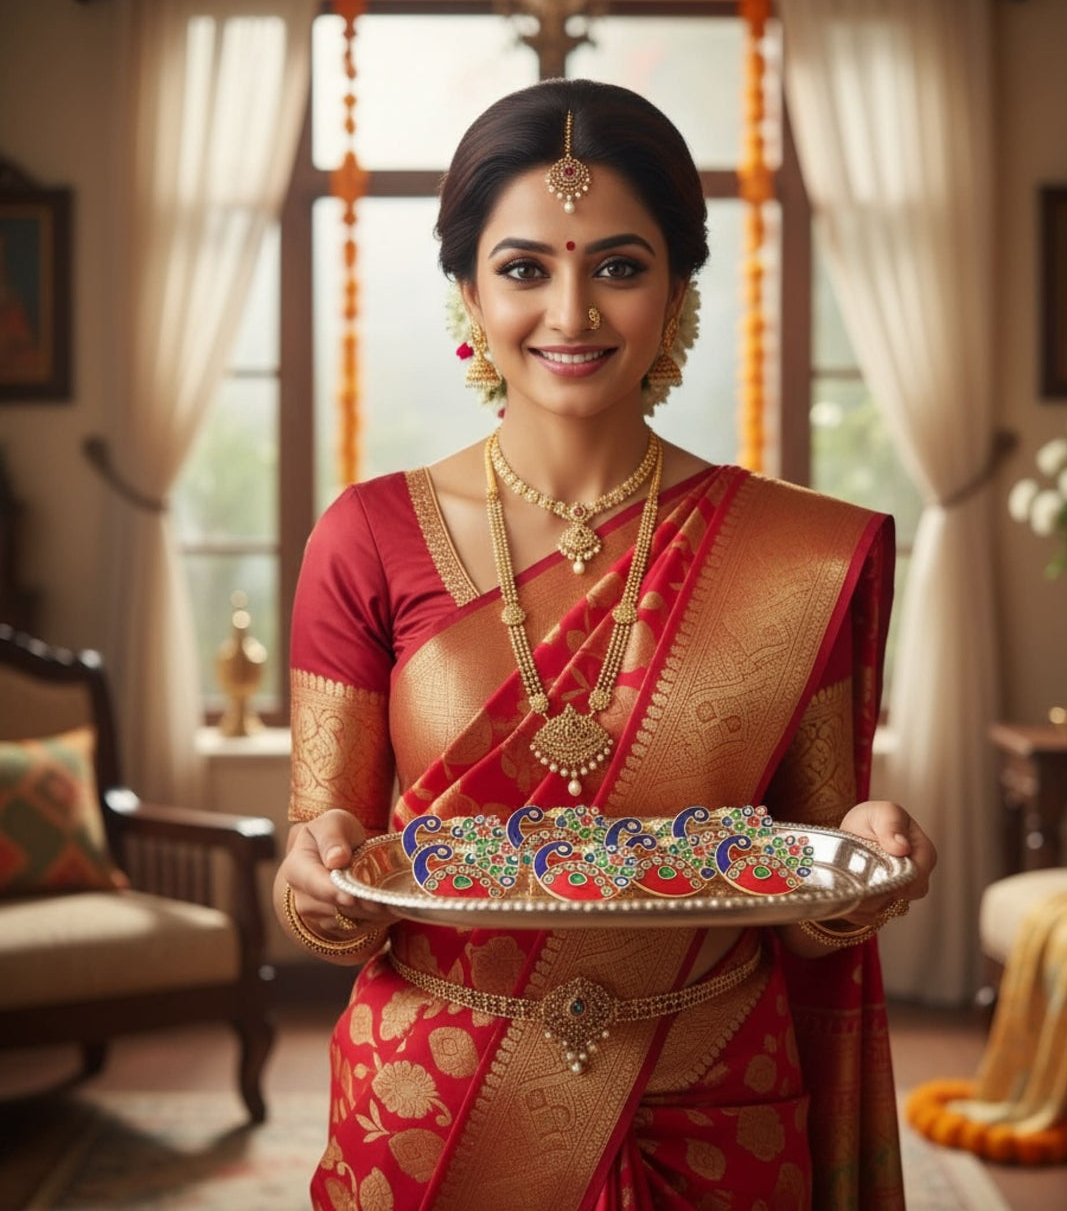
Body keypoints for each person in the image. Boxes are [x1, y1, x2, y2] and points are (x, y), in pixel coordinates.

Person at [274, 78, 936, 1211]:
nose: (570, 312)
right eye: (525, 267)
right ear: (468, 292)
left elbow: (815, 880)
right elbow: (321, 856)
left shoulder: (784, 553)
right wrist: (317, 878)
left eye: (618, 267)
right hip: (440, 1108)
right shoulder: (368, 536)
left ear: (676, 287)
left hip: (713, 1098)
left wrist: (863, 862)